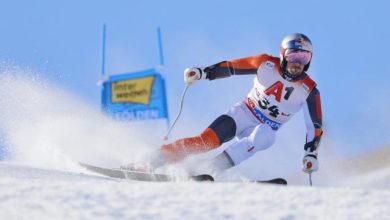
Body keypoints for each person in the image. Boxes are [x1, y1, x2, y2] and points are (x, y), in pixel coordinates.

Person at [154, 33, 323, 175]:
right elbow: (231, 67)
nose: (297, 62)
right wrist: (202, 73)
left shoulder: (309, 90)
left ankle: (209, 169)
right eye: (293, 55)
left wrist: (311, 154)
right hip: (243, 113)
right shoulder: (265, 63)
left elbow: (314, 127)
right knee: (207, 141)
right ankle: (159, 156)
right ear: (283, 55)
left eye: (304, 57)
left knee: (265, 135)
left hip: (266, 127)